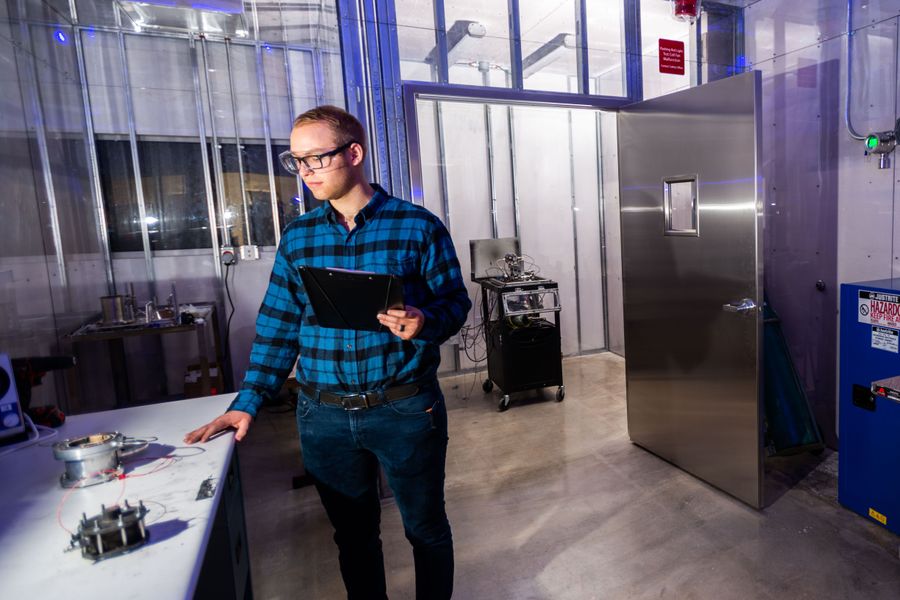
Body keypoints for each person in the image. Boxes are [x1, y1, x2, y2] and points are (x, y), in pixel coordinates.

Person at [184, 105, 471, 600]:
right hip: (324, 416)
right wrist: (247, 402)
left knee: (425, 530)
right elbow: (278, 326)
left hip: (405, 408)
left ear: (354, 153)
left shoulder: (418, 227)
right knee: (354, 537)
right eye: (297, 161)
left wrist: (424, 321)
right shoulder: (299, 237)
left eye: (316, 158)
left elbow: (455, 304)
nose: (306, 173)